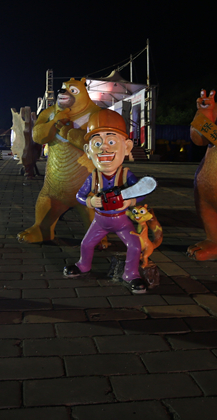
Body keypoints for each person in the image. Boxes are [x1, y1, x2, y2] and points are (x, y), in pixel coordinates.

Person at [65, 109, 153, 294]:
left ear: (127, 147)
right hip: (100, 220)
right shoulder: (93, 177)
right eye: (97, 143)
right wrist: (90, 201)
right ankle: (83, 265)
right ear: (88, 150)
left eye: (111, 142)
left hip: (122, 220)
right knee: (86, 244)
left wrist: (129, 202)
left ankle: (130, 274)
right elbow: (79, 195)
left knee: (134, 245)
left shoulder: (127, 175)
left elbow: (142, 192)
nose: (104, 148)